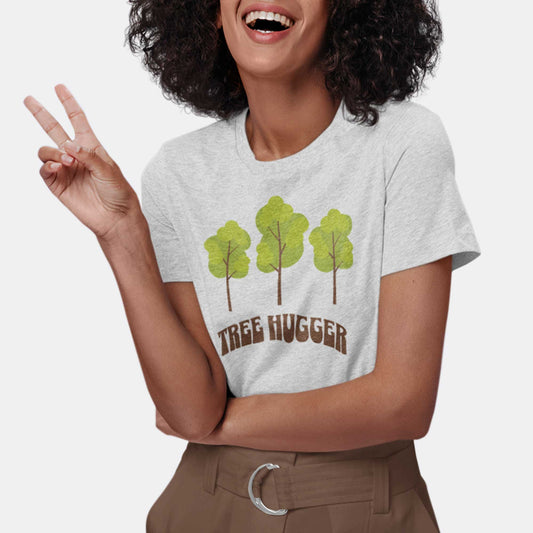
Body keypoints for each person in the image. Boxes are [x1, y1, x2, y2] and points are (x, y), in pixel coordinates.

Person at [24, 0, 481, 531]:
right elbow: (191, 409)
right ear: (210, 11)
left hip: (361, 503)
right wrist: (123, 233)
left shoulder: (404, 144)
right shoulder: (176, 173)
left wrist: (221, 423)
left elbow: (404, 403)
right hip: (205, 499)